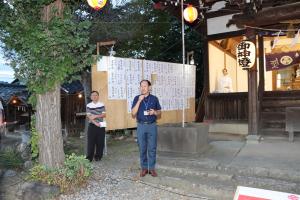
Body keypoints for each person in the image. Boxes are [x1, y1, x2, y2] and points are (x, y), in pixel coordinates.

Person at [131, 80, 161, 177]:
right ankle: (144, 168)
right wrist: (139, 100)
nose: (143, 88)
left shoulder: (154, 99)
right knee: (142, 147)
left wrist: (155, 112)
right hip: (141, 126)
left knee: (152, 147)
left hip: (152, 125)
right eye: (141, 86)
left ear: (149, 88)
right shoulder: (136, 98)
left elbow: (160, 113)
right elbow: (133, 113)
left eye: (145, 86)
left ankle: (151, 168)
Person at [86, 91, 106, 162]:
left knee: (100, 142)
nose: (94, 96)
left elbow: (104, 115)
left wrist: (96, 116)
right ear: (91, 97)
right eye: (93, 95)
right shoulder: (88, 105)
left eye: (96, 95)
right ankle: (89, 158)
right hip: (92, 125)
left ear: (98, 96)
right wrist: (95, 123)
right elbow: (89, 116)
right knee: (91, 142)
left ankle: (98, 157)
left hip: (101, 124)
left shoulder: (102, 104)